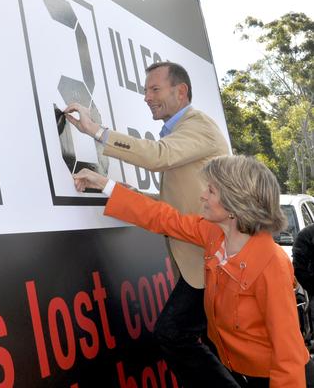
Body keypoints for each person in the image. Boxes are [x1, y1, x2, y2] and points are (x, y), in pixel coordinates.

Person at [74, 155, 311, 387]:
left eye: (211, 191)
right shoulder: (213, 233)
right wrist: (104, 184)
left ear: (234, 202)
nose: (202, 195)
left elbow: (287, 355)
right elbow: (164, 218)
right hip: (234, 370)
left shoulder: (273, 264)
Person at [64, 61, 230, 387]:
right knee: (210, 346)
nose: (146, 97)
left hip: (212, 265)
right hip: (200, 267)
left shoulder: (199, 127)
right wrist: (107, 185)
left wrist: (96, 130)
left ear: (180, 92)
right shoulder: (183, 137)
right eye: (145, 90)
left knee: (173, 332)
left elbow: (157, 156)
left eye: (155, 89)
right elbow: (165, 209)